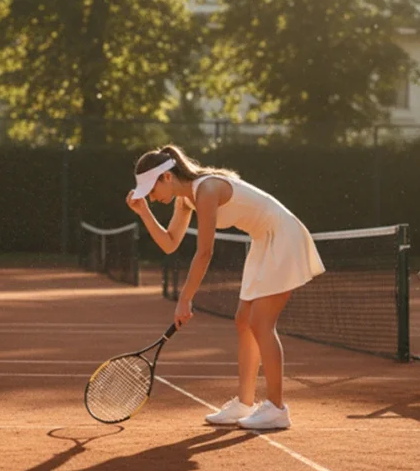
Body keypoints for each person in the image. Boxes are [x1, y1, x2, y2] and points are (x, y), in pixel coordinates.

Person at [125, 144, 324, 431]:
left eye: (151, 190)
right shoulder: (186, 200)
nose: (152, 198)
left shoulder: (206, 190)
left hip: (283, 235)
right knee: (244, 320)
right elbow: (170, 243)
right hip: (263, 239)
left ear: (167, 177)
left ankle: (277, 408)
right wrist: (144, 213)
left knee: (261, 323)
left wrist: (185, 299)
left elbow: (204, 252)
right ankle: (245, 403)